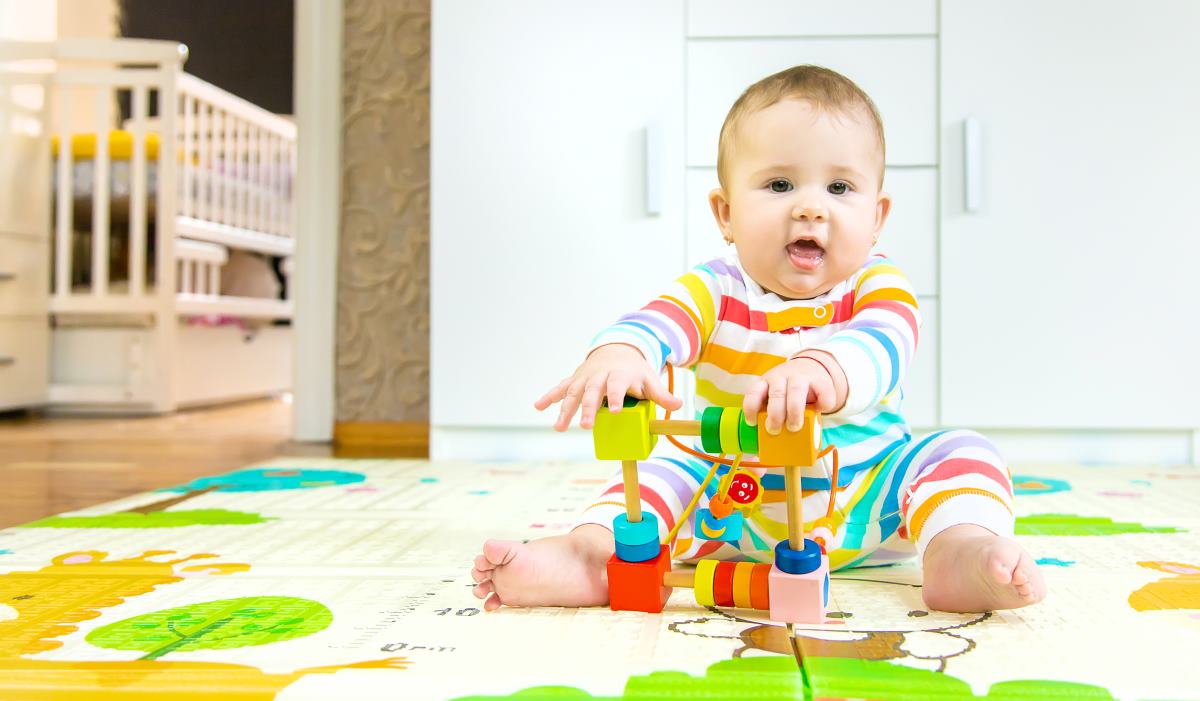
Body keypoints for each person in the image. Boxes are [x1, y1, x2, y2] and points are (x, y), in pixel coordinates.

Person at [470, 65, 1046, 614]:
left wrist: (822, 367)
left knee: (960, 450)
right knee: (658, 470)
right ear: (725, 214)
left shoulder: (875, 281)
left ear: (877, 216)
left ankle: (956, 549)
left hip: (869, 494)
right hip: (729, 498)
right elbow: (660, 318)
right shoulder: (717, 288)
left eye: (840, 186)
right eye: (778, 183)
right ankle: (591, 556)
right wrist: (621, 353)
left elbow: (887, 341)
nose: (810, 207)